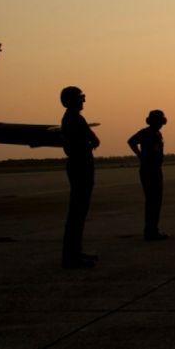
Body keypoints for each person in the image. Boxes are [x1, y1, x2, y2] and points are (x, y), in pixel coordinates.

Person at [60, 86, 100, 269]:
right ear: (71, 100)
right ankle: (71, 257)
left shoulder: (75, 118)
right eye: (80, 97)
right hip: (79, 165)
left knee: (79, 213)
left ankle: (76, 252)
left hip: (82, 164)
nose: (83, 100)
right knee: (77, 213)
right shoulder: (72, 119)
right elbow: (92, 140)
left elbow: (92, 138)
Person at [128, 110, 169, 241]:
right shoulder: (146, 132)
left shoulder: (157, 133)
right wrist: (140, 155)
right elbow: (131, 141)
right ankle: (151, 231)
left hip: (155, 169)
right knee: (153, 200)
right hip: (149, 170)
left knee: (155, 201)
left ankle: (152, 230)